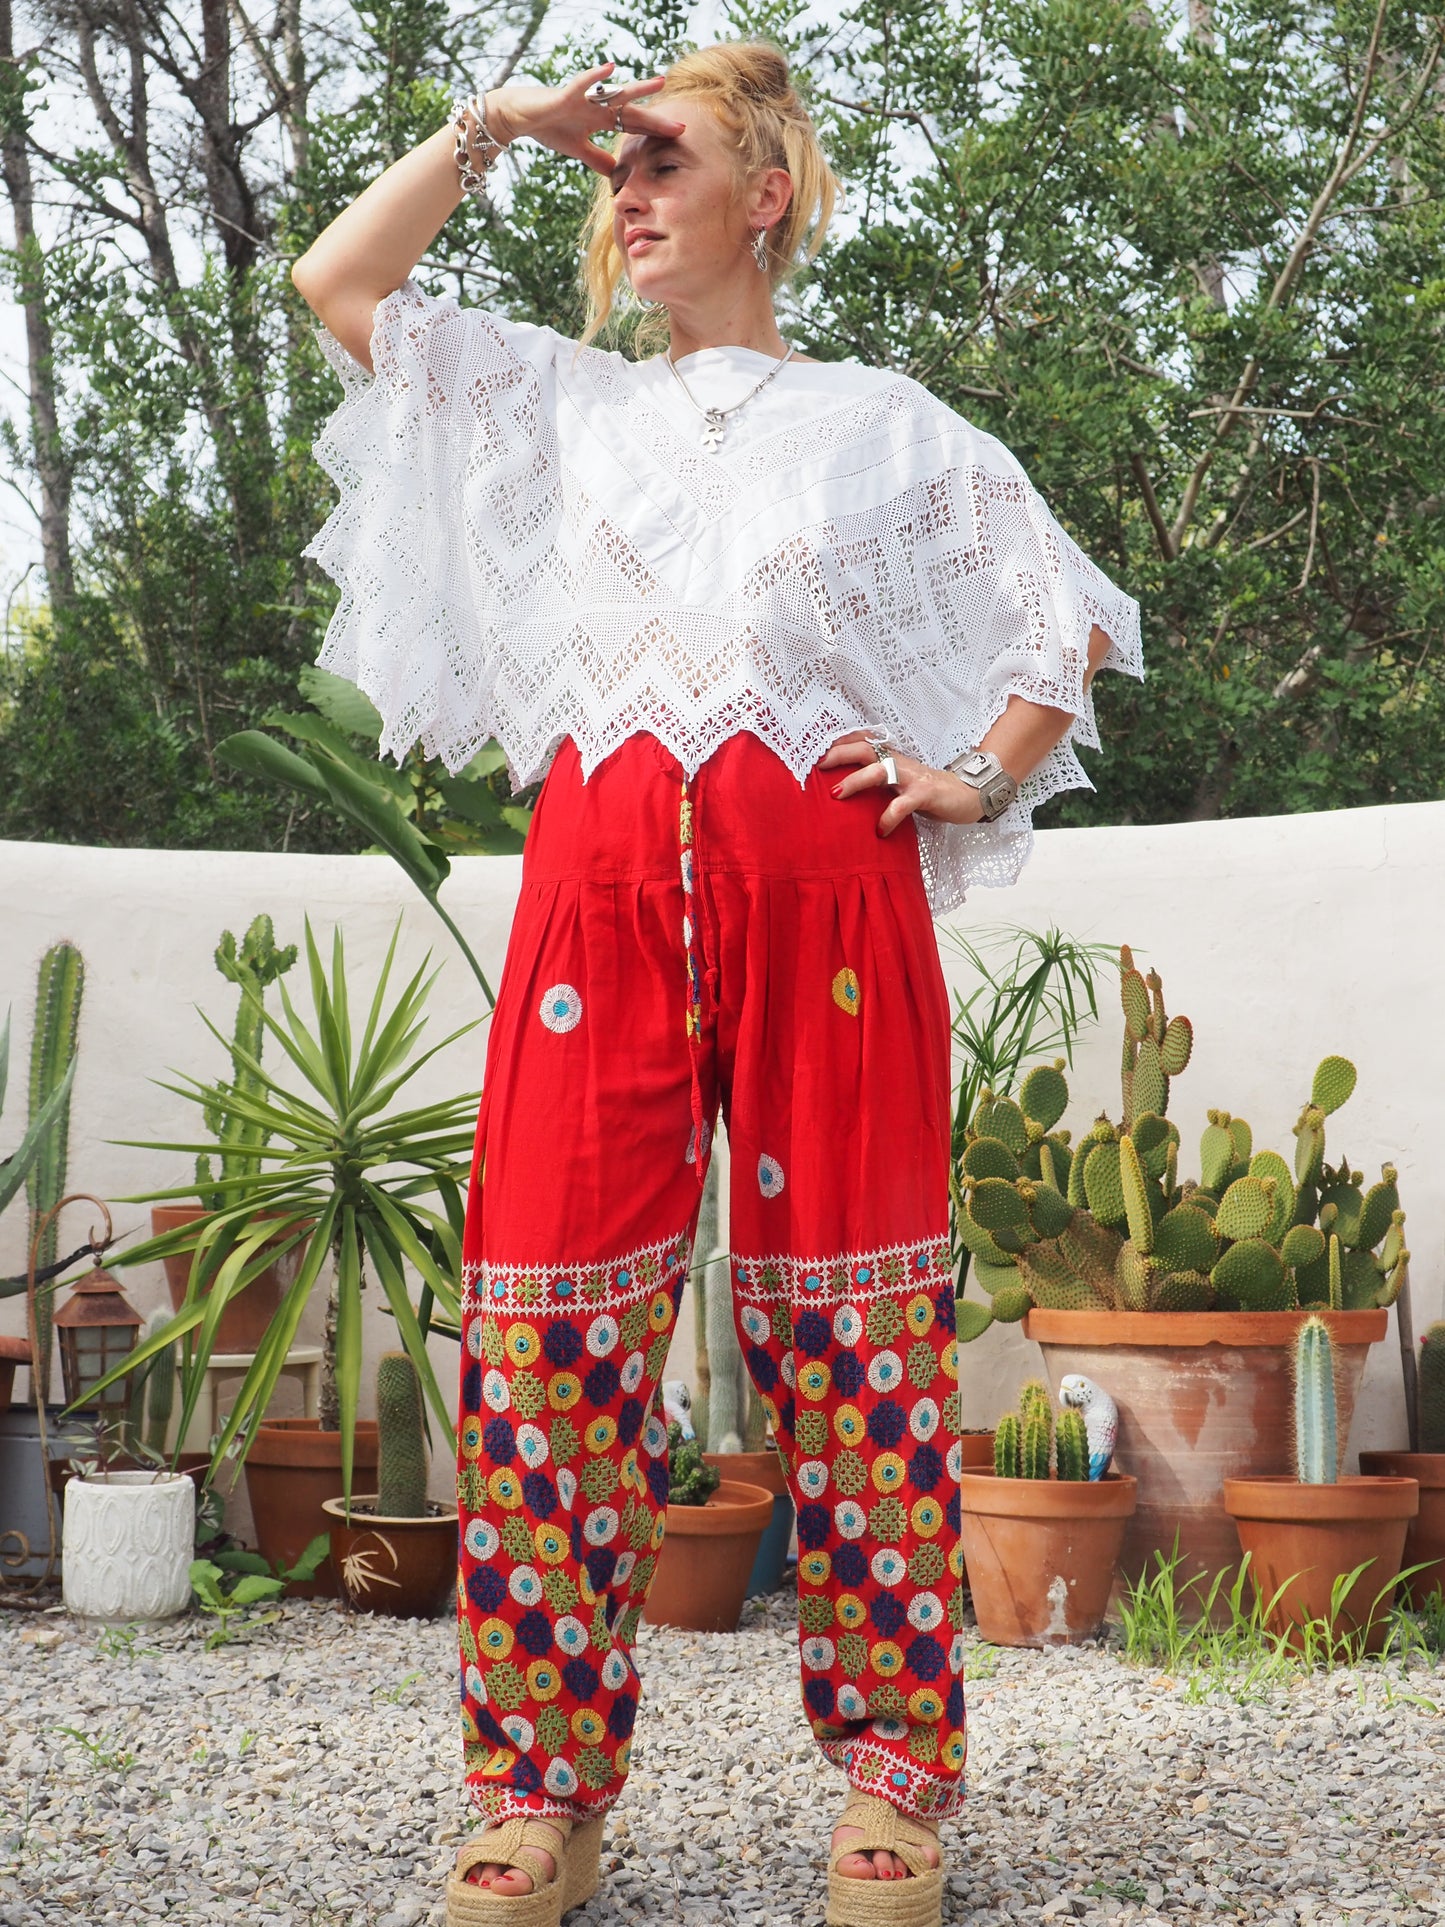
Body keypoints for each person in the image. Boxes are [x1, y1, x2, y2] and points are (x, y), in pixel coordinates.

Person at [290, 39, 1141, 1927]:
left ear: (768, 196)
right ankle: (538, 1794)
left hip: (827, 898)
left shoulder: (884, 425)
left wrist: (975, 772)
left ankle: (894, 1791)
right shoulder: (552, 405)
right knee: (548, 1345)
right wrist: (498, 128)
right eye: (613, 175)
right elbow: (337, 285)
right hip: (596, 900)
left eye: (667, 162)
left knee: (855, 1347)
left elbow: (1059, 615)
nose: (630, 195)